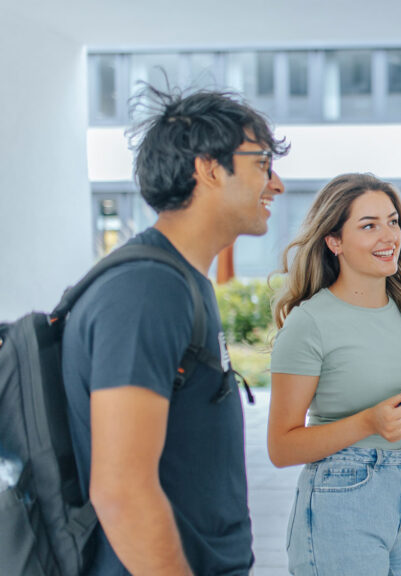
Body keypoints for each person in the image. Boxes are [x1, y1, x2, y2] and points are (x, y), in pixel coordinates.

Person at [62, 84, 288, 575]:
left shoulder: (179, 281)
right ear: (209, 168)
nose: (276, 184)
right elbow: (122, 490)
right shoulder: (147, 289)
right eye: (262, 163)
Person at [267, 173, 401, 576]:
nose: (389, 236)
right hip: (342, 500)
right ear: (334, 241)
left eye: (393, 222)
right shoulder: (309, 323)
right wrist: (368, 423)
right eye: (369, 225)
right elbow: (281, 448)